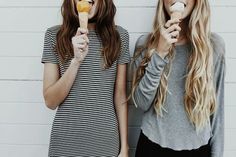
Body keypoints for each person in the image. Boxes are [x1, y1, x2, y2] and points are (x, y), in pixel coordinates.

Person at [131, 0, 225, 157]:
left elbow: (217, 113)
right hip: (151, 147)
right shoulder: (145, 44)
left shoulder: (214, 47)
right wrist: (159, 53)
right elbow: (141, 103)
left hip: (199, 149)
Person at [41, 0, 130, 156]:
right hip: (65, 142)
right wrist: (76, 61)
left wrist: (125, 147)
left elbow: (120, 96)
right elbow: (50, 101)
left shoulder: (119, 36)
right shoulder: (54, 36)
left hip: (106, 141)